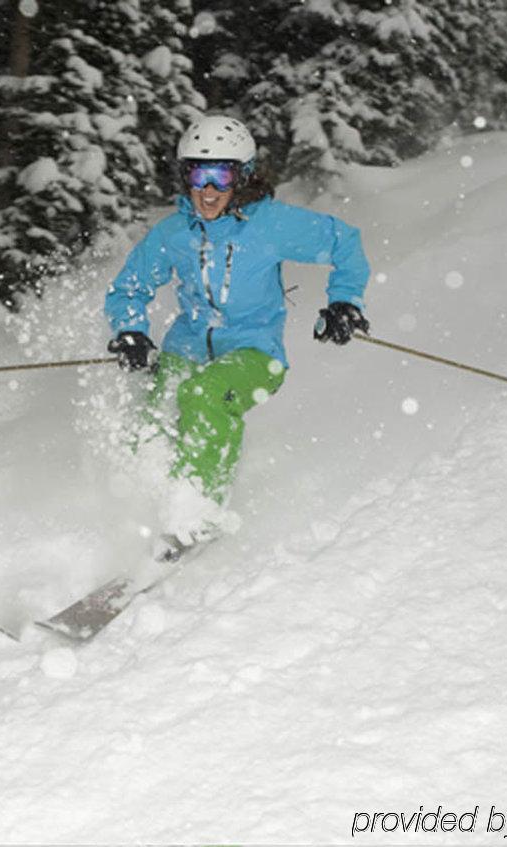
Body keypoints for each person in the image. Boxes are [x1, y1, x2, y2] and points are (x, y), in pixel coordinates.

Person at [104, 114, 371, 545]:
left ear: (241, 176)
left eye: (220, 175)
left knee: (204, 396)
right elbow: (128, 289)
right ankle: (145, 519)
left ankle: (197, 514)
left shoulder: (269, 225)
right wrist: (131, 331)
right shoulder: (174, 233)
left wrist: (344, 301)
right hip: (186, 346)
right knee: (151, 424)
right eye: (198, 173)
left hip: (255, 352)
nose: (208, 190)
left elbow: (346, 242)